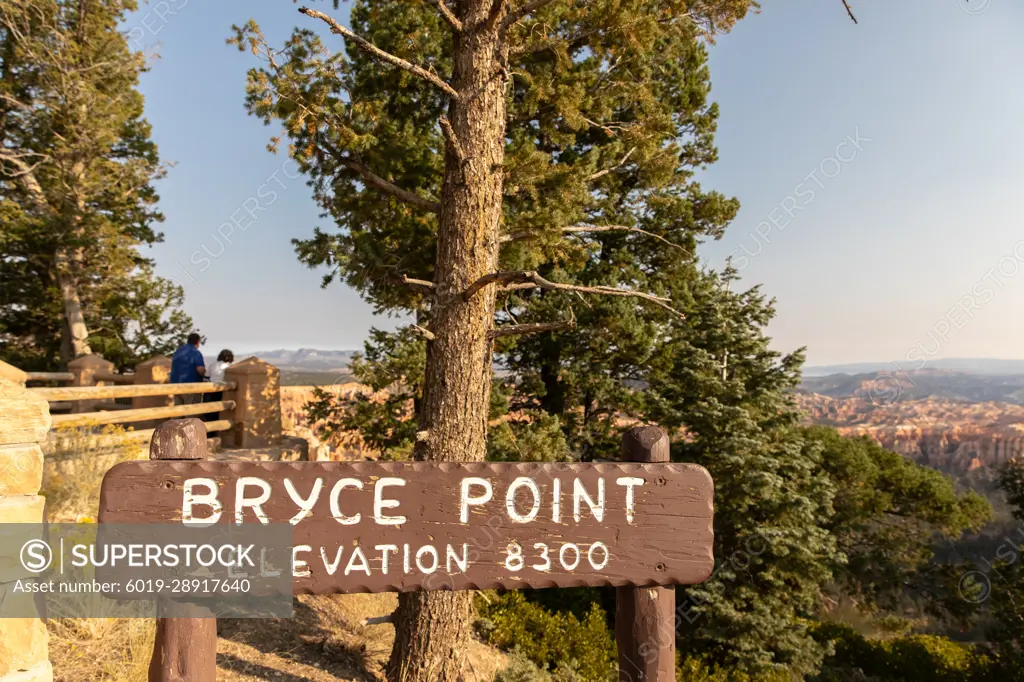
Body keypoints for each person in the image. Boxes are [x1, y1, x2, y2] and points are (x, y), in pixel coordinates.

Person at [170, 333, 206, 406]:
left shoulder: (178, 351)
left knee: (178, 412)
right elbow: (200, 369)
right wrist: (205, 372)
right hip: (190, 387)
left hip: (175, 385)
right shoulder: (195, 353)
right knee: (192, 412)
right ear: (198, 342)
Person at [202, 350, 234, 421]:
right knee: (217, 411)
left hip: (210, 389)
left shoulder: (213, 364)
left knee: (207, 410)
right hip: (221, 390)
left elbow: (206, 376)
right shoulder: (231, 367)